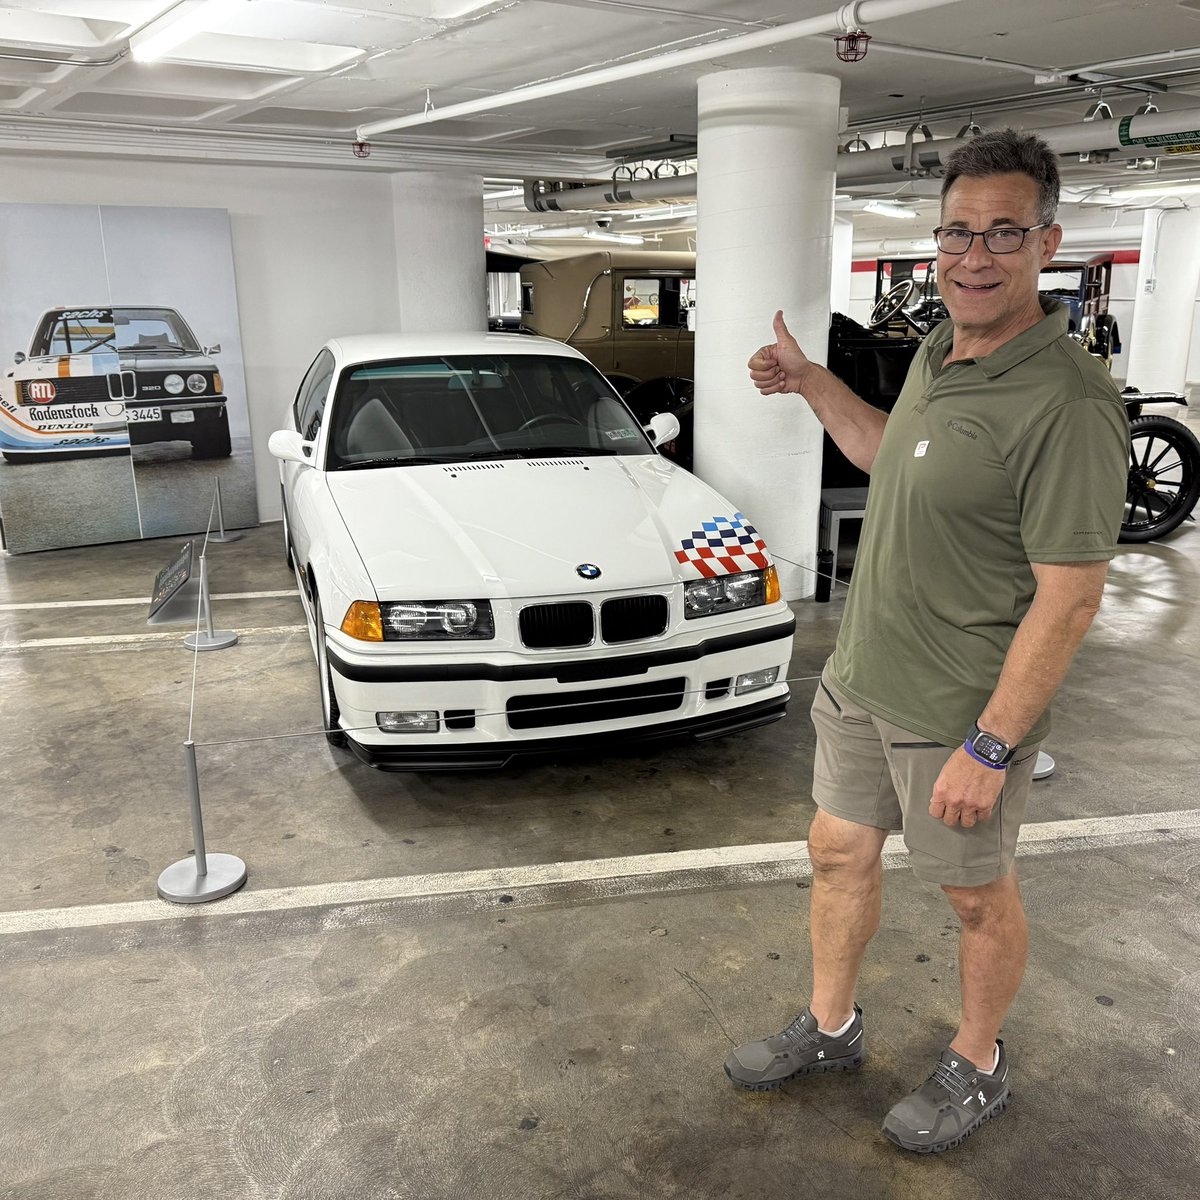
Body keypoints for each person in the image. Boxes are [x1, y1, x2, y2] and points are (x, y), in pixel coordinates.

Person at [724, 129, 1129, 1154]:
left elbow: (1073, 597)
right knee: (836, 854)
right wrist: (813, 382)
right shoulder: (940, 354)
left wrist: (992, 744)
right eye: (958, 230)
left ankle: (980, 1062)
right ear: (935, 240)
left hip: (957, 707)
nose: (975, 254)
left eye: (1004, 232)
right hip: (863, 679)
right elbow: (884, 456)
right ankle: (830, 1029)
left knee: (975, 897)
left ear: (1050, 242)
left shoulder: (1070, 401)